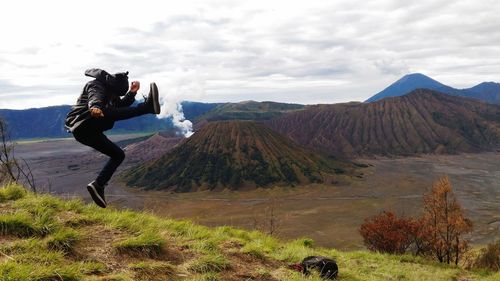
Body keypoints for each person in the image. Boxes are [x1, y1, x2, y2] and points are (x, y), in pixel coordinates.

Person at [65, 68, 160, 208]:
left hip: (90, 132)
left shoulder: (111, 93)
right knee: (107, 111)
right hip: (83, 123)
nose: (116, 96)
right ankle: (147, 108)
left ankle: (98, 185)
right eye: (116, 93)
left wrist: (132, 93)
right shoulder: (96, 85)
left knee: (118, 154)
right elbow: (94, 96)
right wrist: (95, 106)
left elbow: (120, 107)